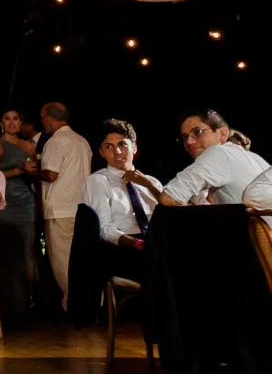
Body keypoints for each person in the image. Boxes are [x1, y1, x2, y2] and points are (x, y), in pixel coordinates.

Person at [130, 109, 272, 209]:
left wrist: (151, 186)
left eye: (197, 132)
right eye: (185, 137)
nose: (189, 142)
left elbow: (169, 198)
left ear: (223, 134)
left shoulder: (217, 152)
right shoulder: (255, 158)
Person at [32, 102, 91, 307]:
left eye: (42, 118)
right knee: (80, 260)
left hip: (60, 209)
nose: (42, 122)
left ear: (49, 119)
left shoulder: (56, 141)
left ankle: (72, 304)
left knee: (62, 260)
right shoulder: (82, 141)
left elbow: (51, 174)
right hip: (81, 207)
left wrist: (32, 172)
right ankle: (86, 302)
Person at [0, 109, 37, 319]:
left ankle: (27, 301)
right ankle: (4, 304)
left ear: (20, 123)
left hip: (26, 203)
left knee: (27, 253)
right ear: (1, 123)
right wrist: (19, 170)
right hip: (4, 203)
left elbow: (35, 176)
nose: (11, 122)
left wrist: (31, 171)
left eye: (15, 118)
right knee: (4, 253)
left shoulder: (30, 147)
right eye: (7, 118)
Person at [84, 120, 158, 248]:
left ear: (134, 147)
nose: (117, 151)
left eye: (122, 144)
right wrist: (139, 245)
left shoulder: (152, 182)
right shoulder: (98, 180)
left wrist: (150, 186)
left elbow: (171, 217)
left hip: (156, 245)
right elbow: (104, 228)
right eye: (108, 147)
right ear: (101, 153)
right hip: (122, 246)